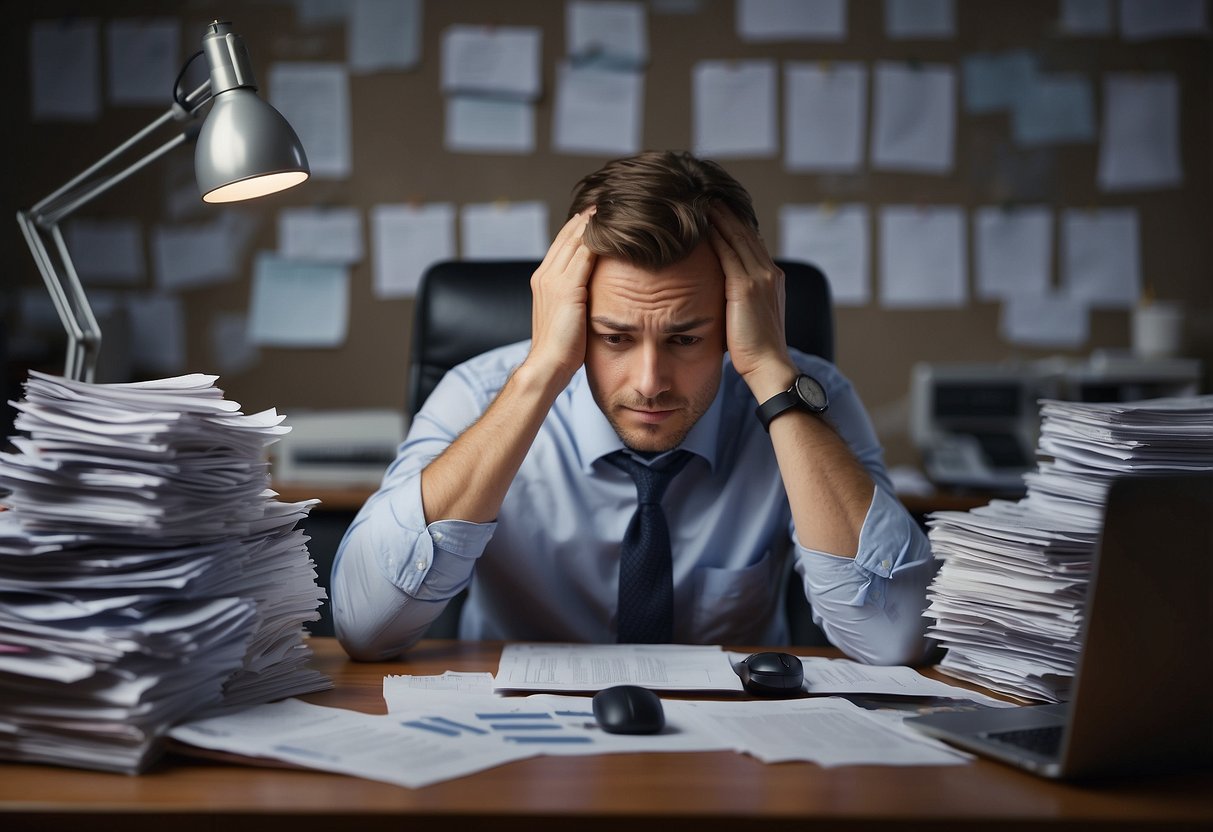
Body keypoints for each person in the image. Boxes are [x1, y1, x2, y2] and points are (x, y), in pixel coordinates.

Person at [331, 151, 935, 664]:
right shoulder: (477, 393)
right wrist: (542, 371)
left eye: (686, 338)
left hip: (733, 743)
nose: (650, 383)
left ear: (737, 319)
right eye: (615, 337)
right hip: (513, 739)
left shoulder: (808, 399)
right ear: (569, 314)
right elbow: (366, 626)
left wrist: (772, 373)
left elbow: (892, 637)